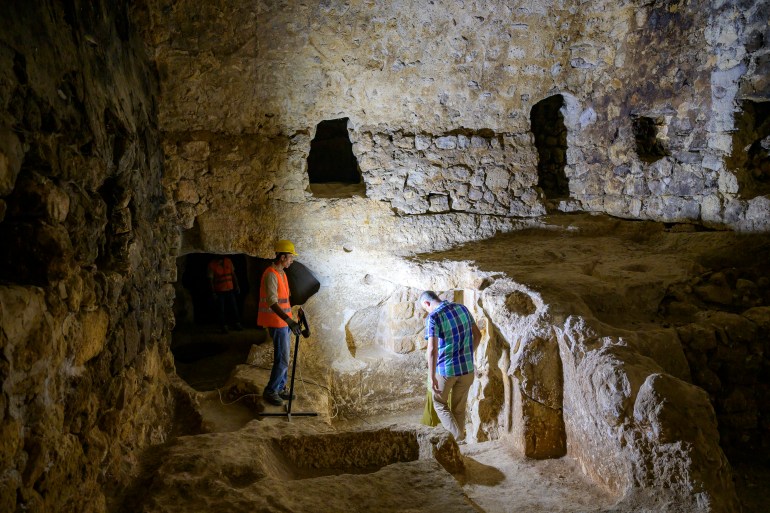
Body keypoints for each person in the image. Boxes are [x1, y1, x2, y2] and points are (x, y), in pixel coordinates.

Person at [419, 290, 481, 443]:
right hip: (467, 369)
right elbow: (478, 335)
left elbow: (432, 349)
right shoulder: (462, 308)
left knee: (439, 403)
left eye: (425, 308)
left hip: (446, 370)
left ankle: (458, 438)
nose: (426, 311)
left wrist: (432, 376)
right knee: (459, 409)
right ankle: (460, 445)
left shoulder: (433, 317)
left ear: (427, 303)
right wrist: (468, 352)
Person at [258, 240, 303, 406]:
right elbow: (272, 302)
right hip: (278, 323)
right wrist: (289, 320)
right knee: (282, 359)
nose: (292, 260)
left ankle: (281, 387)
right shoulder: (271, 274)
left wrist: (293, 317)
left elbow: (285, 300)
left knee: (284, 357)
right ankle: (271, 391)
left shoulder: (282, 273)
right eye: (290, 257)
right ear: (282, 257)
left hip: (284, 323)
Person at [207, 255, 242, 333]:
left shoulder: (228, 261)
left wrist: (237, 286)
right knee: (221, 310)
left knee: (234, 307)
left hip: (230, 289)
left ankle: (237, 323)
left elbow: (233, 274)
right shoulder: (212, 265)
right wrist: (213, 292)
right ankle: (223, 326)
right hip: (220, 291)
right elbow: (210, 280)